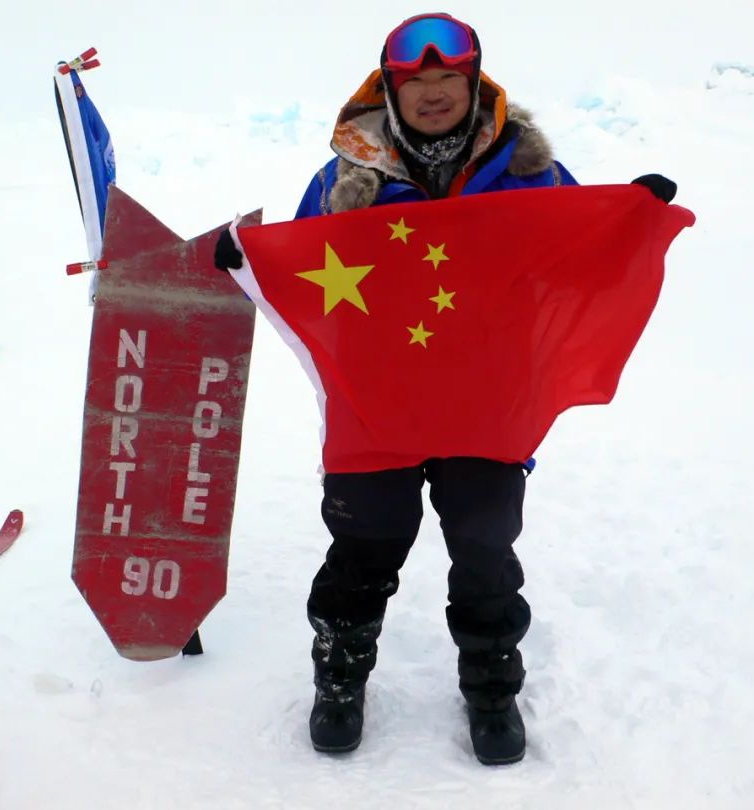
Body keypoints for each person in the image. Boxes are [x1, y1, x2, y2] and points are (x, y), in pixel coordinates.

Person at [214, 12, 678, 764]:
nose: (434, 93)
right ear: (390, 89)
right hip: (378, 402)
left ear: (474, 83)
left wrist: (630, 218)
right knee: (365, 542)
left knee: (485, 546)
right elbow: (305, 271)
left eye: (448, 79)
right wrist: (245, 258)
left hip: (488, 400)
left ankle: (492, 685)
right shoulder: (342, 180)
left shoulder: (528, 173)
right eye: (417, 81)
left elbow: (572, 257)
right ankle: (340, 674)